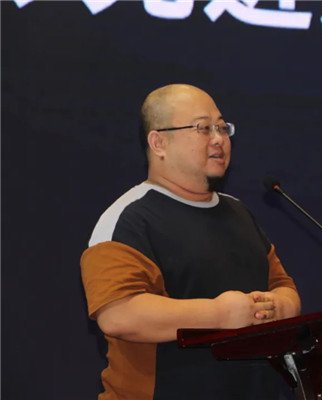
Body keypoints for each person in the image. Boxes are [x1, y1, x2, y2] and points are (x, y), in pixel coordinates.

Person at [80, 83, 301, 399]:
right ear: (159, 142)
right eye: (203, 128)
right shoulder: (129, 218)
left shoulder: (239, 212)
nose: (219, 139)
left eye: (223, 128)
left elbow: (282, 285)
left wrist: (280, 306)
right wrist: (220, 314)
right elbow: (118, 315)